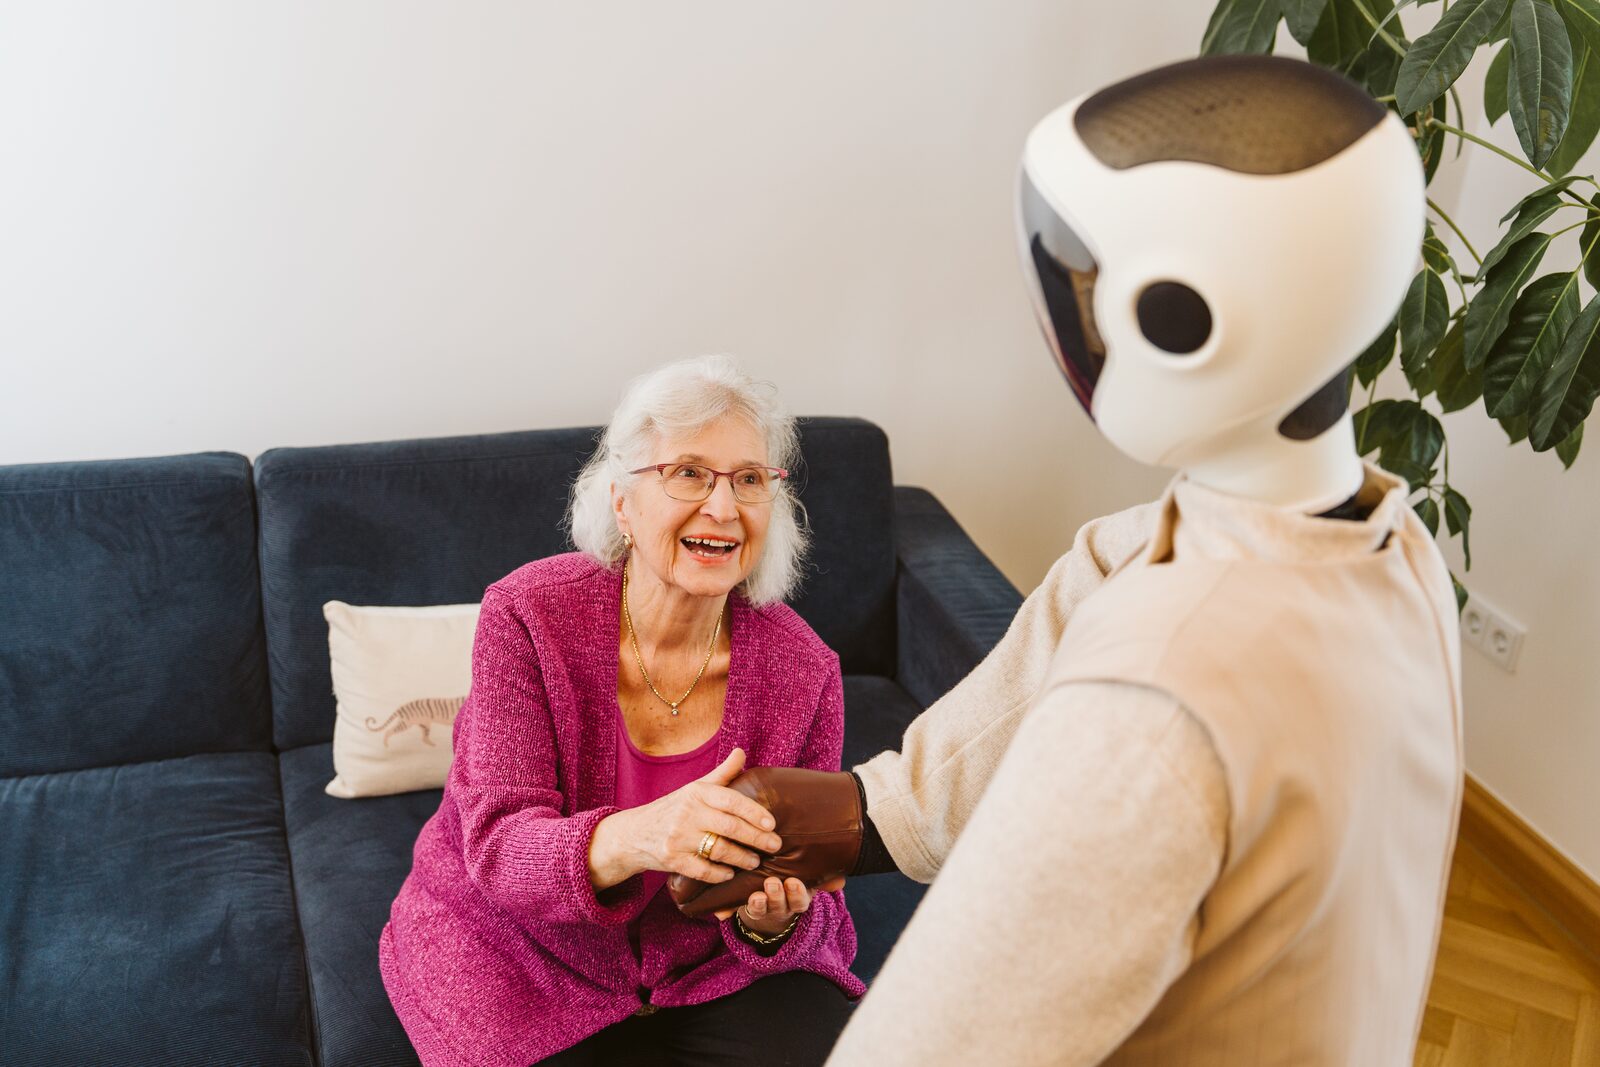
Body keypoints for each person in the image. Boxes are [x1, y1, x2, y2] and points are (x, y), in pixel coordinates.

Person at [672, 57, 1463, 1066]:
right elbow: (1083, 608)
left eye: (1078, 279)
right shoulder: (1387, 549)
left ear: (1177, 320)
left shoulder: (1154, 707)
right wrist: (858, 814)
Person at [379, 355, 862, 1067]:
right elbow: (500, 848)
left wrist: (771, 922)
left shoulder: (806, 669)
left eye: (749, 479)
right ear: (622, 502)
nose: (723, 508)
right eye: (688, 472)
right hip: (522, 951)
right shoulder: (527, 616)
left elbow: (817, 894)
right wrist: (647, 835)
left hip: (707, 966)